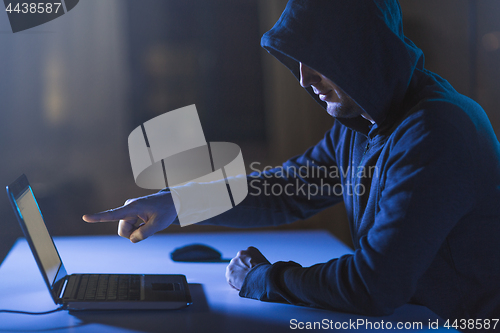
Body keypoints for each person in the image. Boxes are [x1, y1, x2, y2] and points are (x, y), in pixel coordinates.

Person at [83, 0, 500, 325]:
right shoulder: (364, 123)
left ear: (361, 50)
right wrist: (176, 201)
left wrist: (262, 279)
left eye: (316, 59)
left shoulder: (436, 133)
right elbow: (289, 189)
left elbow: (372, 286)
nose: (302, 79)